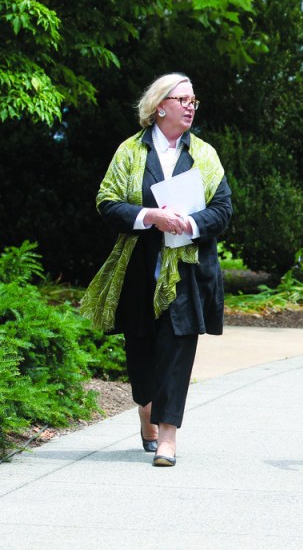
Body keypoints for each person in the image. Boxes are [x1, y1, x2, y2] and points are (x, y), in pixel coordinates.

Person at [81, 73, 232, 467]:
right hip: (138, 263)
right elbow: (106, 200)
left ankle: (168, 436)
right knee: (141, 346)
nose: (190, 106)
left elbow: (223, 209)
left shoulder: (204, 154)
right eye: (182, 99)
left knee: (178, 345)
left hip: (187, 266)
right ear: (160, 105)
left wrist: (190, 224)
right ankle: (147, 408)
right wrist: (149, 215)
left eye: (193, 100)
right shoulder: (130, 151)